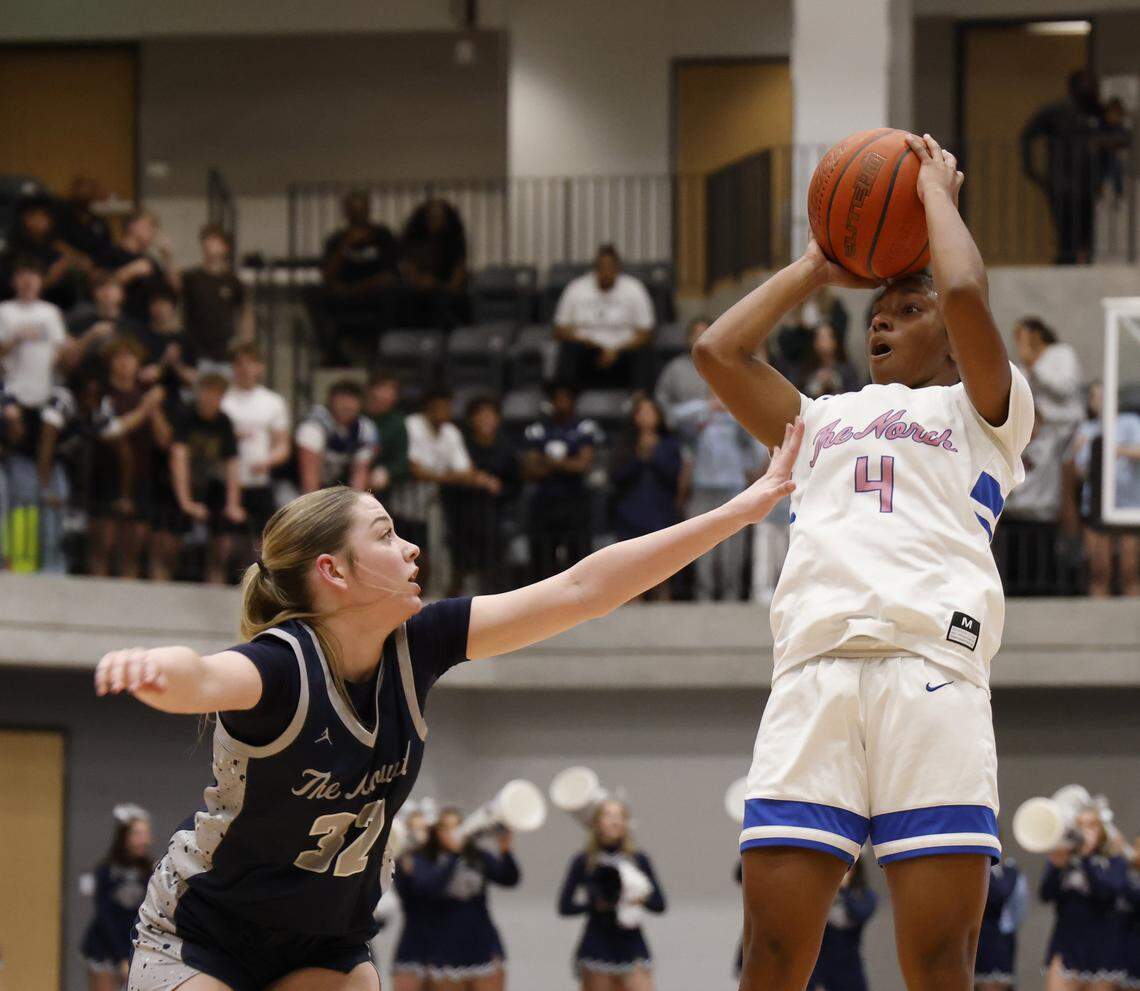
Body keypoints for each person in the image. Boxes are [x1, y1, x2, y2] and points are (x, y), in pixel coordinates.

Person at [94, 419, 799, 990]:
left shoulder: (421, 641)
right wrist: (159, 668)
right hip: (206, 933)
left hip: (327, 940)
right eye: (385, 535)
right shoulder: (283, 665)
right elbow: (205, 677)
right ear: (331, 571)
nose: (411, 547)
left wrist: (745, 505)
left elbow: (585, 589)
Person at [693, 133, 1035, 991]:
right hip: (812, 673)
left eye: (907, 308)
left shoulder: (986, 413)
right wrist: (817, 263)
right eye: (876, 310)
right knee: (770, 956)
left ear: (958, 343)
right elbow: (717, 351)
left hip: (932, 671)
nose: (881, 315)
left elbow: (961, 286)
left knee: (937, 963)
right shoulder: (819, 418)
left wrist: (930, 194)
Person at [392, 390, 496, 598]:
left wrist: (439, 476)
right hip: (400, 505)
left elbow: (466, 471)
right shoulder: (411, 425)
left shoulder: (451, 432)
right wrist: (449, 476)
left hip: (430, 507)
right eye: (437, 407)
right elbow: (415, 470)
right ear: (427, 408)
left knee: (426, 558)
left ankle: (420, 601)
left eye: (446, 407)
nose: (442, 412)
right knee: (400, 559)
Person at [558, 798, 666, 991]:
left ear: (626, 823)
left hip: (632, 944)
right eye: (608, 816)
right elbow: (564, 906)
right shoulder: (584, 861)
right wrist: (594, 905)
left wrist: (638, 898)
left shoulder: (638, 860)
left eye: (619, 816)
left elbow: (660, 904)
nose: (614, 821)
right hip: (597, 944)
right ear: (597, 823)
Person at [87, 339, 170, 579]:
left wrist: (153, 410)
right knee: (102, 546)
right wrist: (145, 408)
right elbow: (108, 431)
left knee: (133, 549)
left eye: (130, 358)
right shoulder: (101, 394)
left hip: (141, 478)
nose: (125, 363)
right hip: (106, 477)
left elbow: (164, 439)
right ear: (110, 363)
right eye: (119, 358)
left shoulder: (144, 396)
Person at [672, 392, 765, 602]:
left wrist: (735, 411)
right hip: (703, 487)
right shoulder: (701, 411)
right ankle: (703, 594)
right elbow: (675, 416)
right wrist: (709, 407)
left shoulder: (740, 413)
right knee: (701, 544)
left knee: (733, 547)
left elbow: (756, 444)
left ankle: (731, 594)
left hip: (733, 487)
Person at [416, 809, 520, 990]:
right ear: (437, 833)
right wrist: (454, 855)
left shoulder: (477, 857)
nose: (453, 833)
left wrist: (505, 850)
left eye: (457, 827)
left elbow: (509, 879)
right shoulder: (427, 860)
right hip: (444, 946)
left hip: (481, 942)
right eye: (446, 828)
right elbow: (430, 890)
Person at [167, 374, 246, 584]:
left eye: (217, 394)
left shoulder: (224, 421)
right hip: (176, 483)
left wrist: (233, 504)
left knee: (223, 540)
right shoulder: (185, 416)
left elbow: (232, 464)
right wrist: (185, 502)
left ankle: (215, 586)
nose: (211, 398)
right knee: (168, 545)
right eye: (208, 392)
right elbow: (178, 458)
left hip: (209, 483)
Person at [522, 382, 604, 582]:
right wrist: (566, 463)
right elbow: (530, 468)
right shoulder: (537, 429)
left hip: (575, 500)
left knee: (579, 555)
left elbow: (583, 465)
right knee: (542, 557)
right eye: (557, 398)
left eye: (566, 398)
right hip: (545, 502)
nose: (561, 403)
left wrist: (549, 462)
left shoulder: (584, 427)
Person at [1021, 69, 1103, 264]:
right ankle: (1065, 265)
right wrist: (1030, 169)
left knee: (1086, 234)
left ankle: (1082, 268)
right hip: (1062, 183)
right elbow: (1027, 135)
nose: (1089, 88)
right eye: (1085, 83)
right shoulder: (1056, 111)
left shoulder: (1095, 112)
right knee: (1066, 235)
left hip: (1087, 184)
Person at [1041, 808, 1128, 991]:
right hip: (1066, 943)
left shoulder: (1114, 860)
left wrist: (1087, 858)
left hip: (1103, 945)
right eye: (1080, 825)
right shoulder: (1064, 859)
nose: (1085, 831)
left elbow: (1107, 895)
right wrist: (1057, 867)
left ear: (1103, 830)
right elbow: (1046, 895)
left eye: (1091, 825)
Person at [1067, 382, 1140, 596]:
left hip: (1128, 505)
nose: (1102, 401)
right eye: (1096, 397)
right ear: (1091, 403)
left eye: (1105, 396)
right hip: (1096, 505)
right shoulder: (1086, 430)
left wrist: (1115, 450)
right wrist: (1078, 453)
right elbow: (1081, 473)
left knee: (1130, 570)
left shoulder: (1130, 423)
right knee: (1099, 571)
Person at [609, 395, 685, 599]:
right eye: (642, 412)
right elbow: (616, 476)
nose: (647, 416)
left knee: (663, 561)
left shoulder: (669, 445)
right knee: (631, 564)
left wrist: (652, 457)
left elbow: (673, 475)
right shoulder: (625, 444)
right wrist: (639, 458)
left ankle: (663, 599)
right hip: (630, 510)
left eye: (651, 411)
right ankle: (633, 602)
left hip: (660, 510)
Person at [312, 191, 401, 363]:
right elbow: (328, 276)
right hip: (344, 296)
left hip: (373, 293)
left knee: (391, 292)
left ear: (368, 210)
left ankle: (384, 352)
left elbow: (389, 274)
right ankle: (331, 351)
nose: (358, 214)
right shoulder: (337, 239)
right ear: (346, 212)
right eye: (353, 210)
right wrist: (345, 247)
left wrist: (355, 288)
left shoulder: (382, 235)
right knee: (314, 294)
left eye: (361, 210)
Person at [554, 245, 655, 390]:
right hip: (588, 351)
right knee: (568, 348)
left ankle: (640, 401)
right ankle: (564, 402)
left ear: (618, 268)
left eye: (610, 266)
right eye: (602, 266)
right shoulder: (576, 288)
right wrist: (588, 342)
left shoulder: (634, 289)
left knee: (644, 351)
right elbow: (560, 329)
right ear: (595, 268)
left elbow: (646, 332)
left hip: (623, 353)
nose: (606, 271)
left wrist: (616, 350)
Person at [221, 344, 290, 546]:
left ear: (260, 367)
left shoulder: (273, 401)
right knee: (224, 544)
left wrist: (267, 461)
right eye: (239, 363)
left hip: (259, 480)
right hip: (226, 480)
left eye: (251, 363)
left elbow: (282, 445)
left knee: (260, 544)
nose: (245, 369)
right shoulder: (223, 400)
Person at [81, 805, 153, 991]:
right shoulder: (106, 871)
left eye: (146, 834)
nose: (144, 840)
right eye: (138, 834)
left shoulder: (150, 872)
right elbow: (105, 915)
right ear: (124, 837)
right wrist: (121, 956)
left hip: (136, 946)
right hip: (105, 946)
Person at [453, 396, 519, 595]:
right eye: (480, 414)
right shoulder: (462, 445)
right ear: (471, 419)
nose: (485, 419)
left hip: (495, 512)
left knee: (494, 557)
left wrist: (497, 488)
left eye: (490, 414)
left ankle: (495, 596)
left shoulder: (506, 448)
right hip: (463, 511)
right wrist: (474, 480)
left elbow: (515, 484)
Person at [0, 257, 71, 411]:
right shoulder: (4, 310)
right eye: (23, 277)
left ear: (40, 281)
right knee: (12, 420)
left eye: (33, 277)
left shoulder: (51, 312)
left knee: (54, 416)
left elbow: (60, 349)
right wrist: (16, 339)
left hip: (46, 384)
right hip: (11, 385)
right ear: (14, 281)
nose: (28, 282)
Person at [181, 225, 254, 371]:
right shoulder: (191, 277)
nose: (209, 245)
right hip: (196, 351)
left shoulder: (233, 281)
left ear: (225, 247)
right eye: (207, 240)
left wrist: (245, 344)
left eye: (215, 240)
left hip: (224, 351)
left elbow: (245, 312)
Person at [295, 380, 379, 493]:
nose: (347, 405)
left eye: (352, 400)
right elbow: (309, 476)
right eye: (342, 399)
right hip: (296, 485)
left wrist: (355, 503)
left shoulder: (365, 428)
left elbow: (360, 474)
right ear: (331, 400)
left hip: (335, 486)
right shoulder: (313, 425)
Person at [807, 860, 878, 991]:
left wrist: (844, 889)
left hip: (850, 967)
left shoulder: (865, 895)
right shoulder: (819, 896)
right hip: (821, 967)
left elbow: (860, 913)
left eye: (848, 868)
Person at [399, 198, 468, 329]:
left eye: (440, 217)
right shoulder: (412, 244)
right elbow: (410, 274)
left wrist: (436, 285)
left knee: (446, 302)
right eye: (431, 217)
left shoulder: (455, 246)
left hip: (445, 294)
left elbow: (456, 283)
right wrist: (421, 282)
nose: (436, 221)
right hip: (416, 294)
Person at [104, 211, 178, 326]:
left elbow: (173, 289)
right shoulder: (112, 253)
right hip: (120, 323)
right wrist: (130, 271)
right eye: (149, 225)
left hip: (147, 325)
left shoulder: (151, 261)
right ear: (132, 226)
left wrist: (168, 258)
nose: (153, 231)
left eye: (155, 227)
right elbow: (103, 287)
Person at [391, 809, 436, 991]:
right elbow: (414, 888)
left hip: (443, 942)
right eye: (415, 829)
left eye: (424, 829)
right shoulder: (403, 861)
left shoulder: (442, 861)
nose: (420, 835)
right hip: (413, 940)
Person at [134, 286, 198, 408]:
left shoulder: (183, 339)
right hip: (143, 397)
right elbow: (144, 376)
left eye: (164, 304)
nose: (160, 309)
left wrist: (176, 364)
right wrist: (164, 361)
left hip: (174, 400)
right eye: (156, 304)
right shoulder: (139, 335)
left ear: (173, 307)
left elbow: (192, 379)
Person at [975, 854, 1028, 991]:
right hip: (979, 944)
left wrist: (1011, 871)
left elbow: (1019, 910)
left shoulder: (1009, 872)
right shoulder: (974, 871)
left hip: (1001, 944)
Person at [655, 317, 711, 428]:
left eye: (705, 334)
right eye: (697, 334)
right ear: (688, 338)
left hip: (717, 422)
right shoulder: (675, 367)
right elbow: (661, 397)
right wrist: (670, 420)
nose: (700, 338)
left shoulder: (722, 366)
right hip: (685, 423)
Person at [364, 373, 410, 503]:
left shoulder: (397, 423)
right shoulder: (356, 416)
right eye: (382, 388)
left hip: (377, 488)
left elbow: (402, 463)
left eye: (392, 390)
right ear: (369, 389)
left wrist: (386, 471)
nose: (386, 394)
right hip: (344, 480)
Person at [57, 175, 115, 267]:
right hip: (69, 266)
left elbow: (107, 249)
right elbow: (57, 244)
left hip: (98, 267)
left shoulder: (99, 223)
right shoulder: (63, 218)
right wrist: (79, 259)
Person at [798, 324, 861, 400]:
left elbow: (855, 394)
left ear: (835, 341)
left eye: (828, 337)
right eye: (821, 338)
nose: (825, 341)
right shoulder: (806, 371)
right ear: (814, 343)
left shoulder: (847, 370)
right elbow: (801, 398)